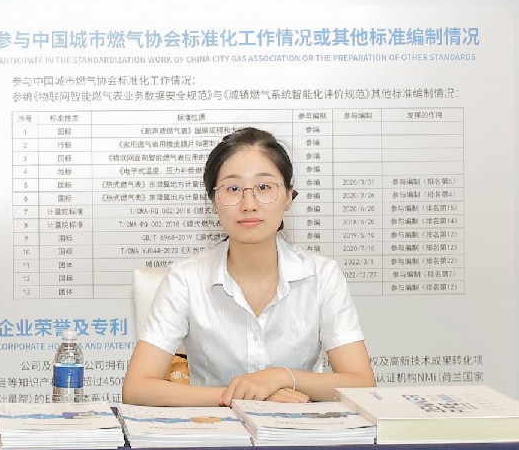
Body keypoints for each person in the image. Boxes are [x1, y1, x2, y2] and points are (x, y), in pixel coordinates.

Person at [121, 127, 375, 407]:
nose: (249, 204)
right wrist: (246, 396)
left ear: (289, 196)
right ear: (214, 201)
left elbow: (361, 383)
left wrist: (281, 377)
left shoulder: (322, 275)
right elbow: (137, 388)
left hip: (299, 427)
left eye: (264, 187)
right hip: (215, 428)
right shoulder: (186, 278)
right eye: (232, 189)